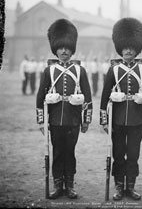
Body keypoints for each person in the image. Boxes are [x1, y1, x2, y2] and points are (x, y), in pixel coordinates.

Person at [36, 19, 93, 199]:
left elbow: (88, 97)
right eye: (60, 47)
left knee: (70, 152)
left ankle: (69, 185)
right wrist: (41, 120)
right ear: (55, 48)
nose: (64, 51)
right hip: (54, 119)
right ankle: (57, 185)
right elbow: (39, 97)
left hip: (73, 119)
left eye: (67, 48)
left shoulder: (79, 71)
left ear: (72, 49)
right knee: (57, 152)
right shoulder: (49, 71)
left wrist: (86, 120)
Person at [100, 18, 142, 201]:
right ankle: (118, 186)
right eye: (125, 47)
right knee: (118, 154)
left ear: (137, 48)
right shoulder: (113, 70)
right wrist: (104, 119)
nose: (129, 51)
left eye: (132, 47)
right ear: (120, 48)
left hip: (137, 119)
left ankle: (130, 187)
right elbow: (104, 96)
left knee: (133, 154)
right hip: (117, 118)